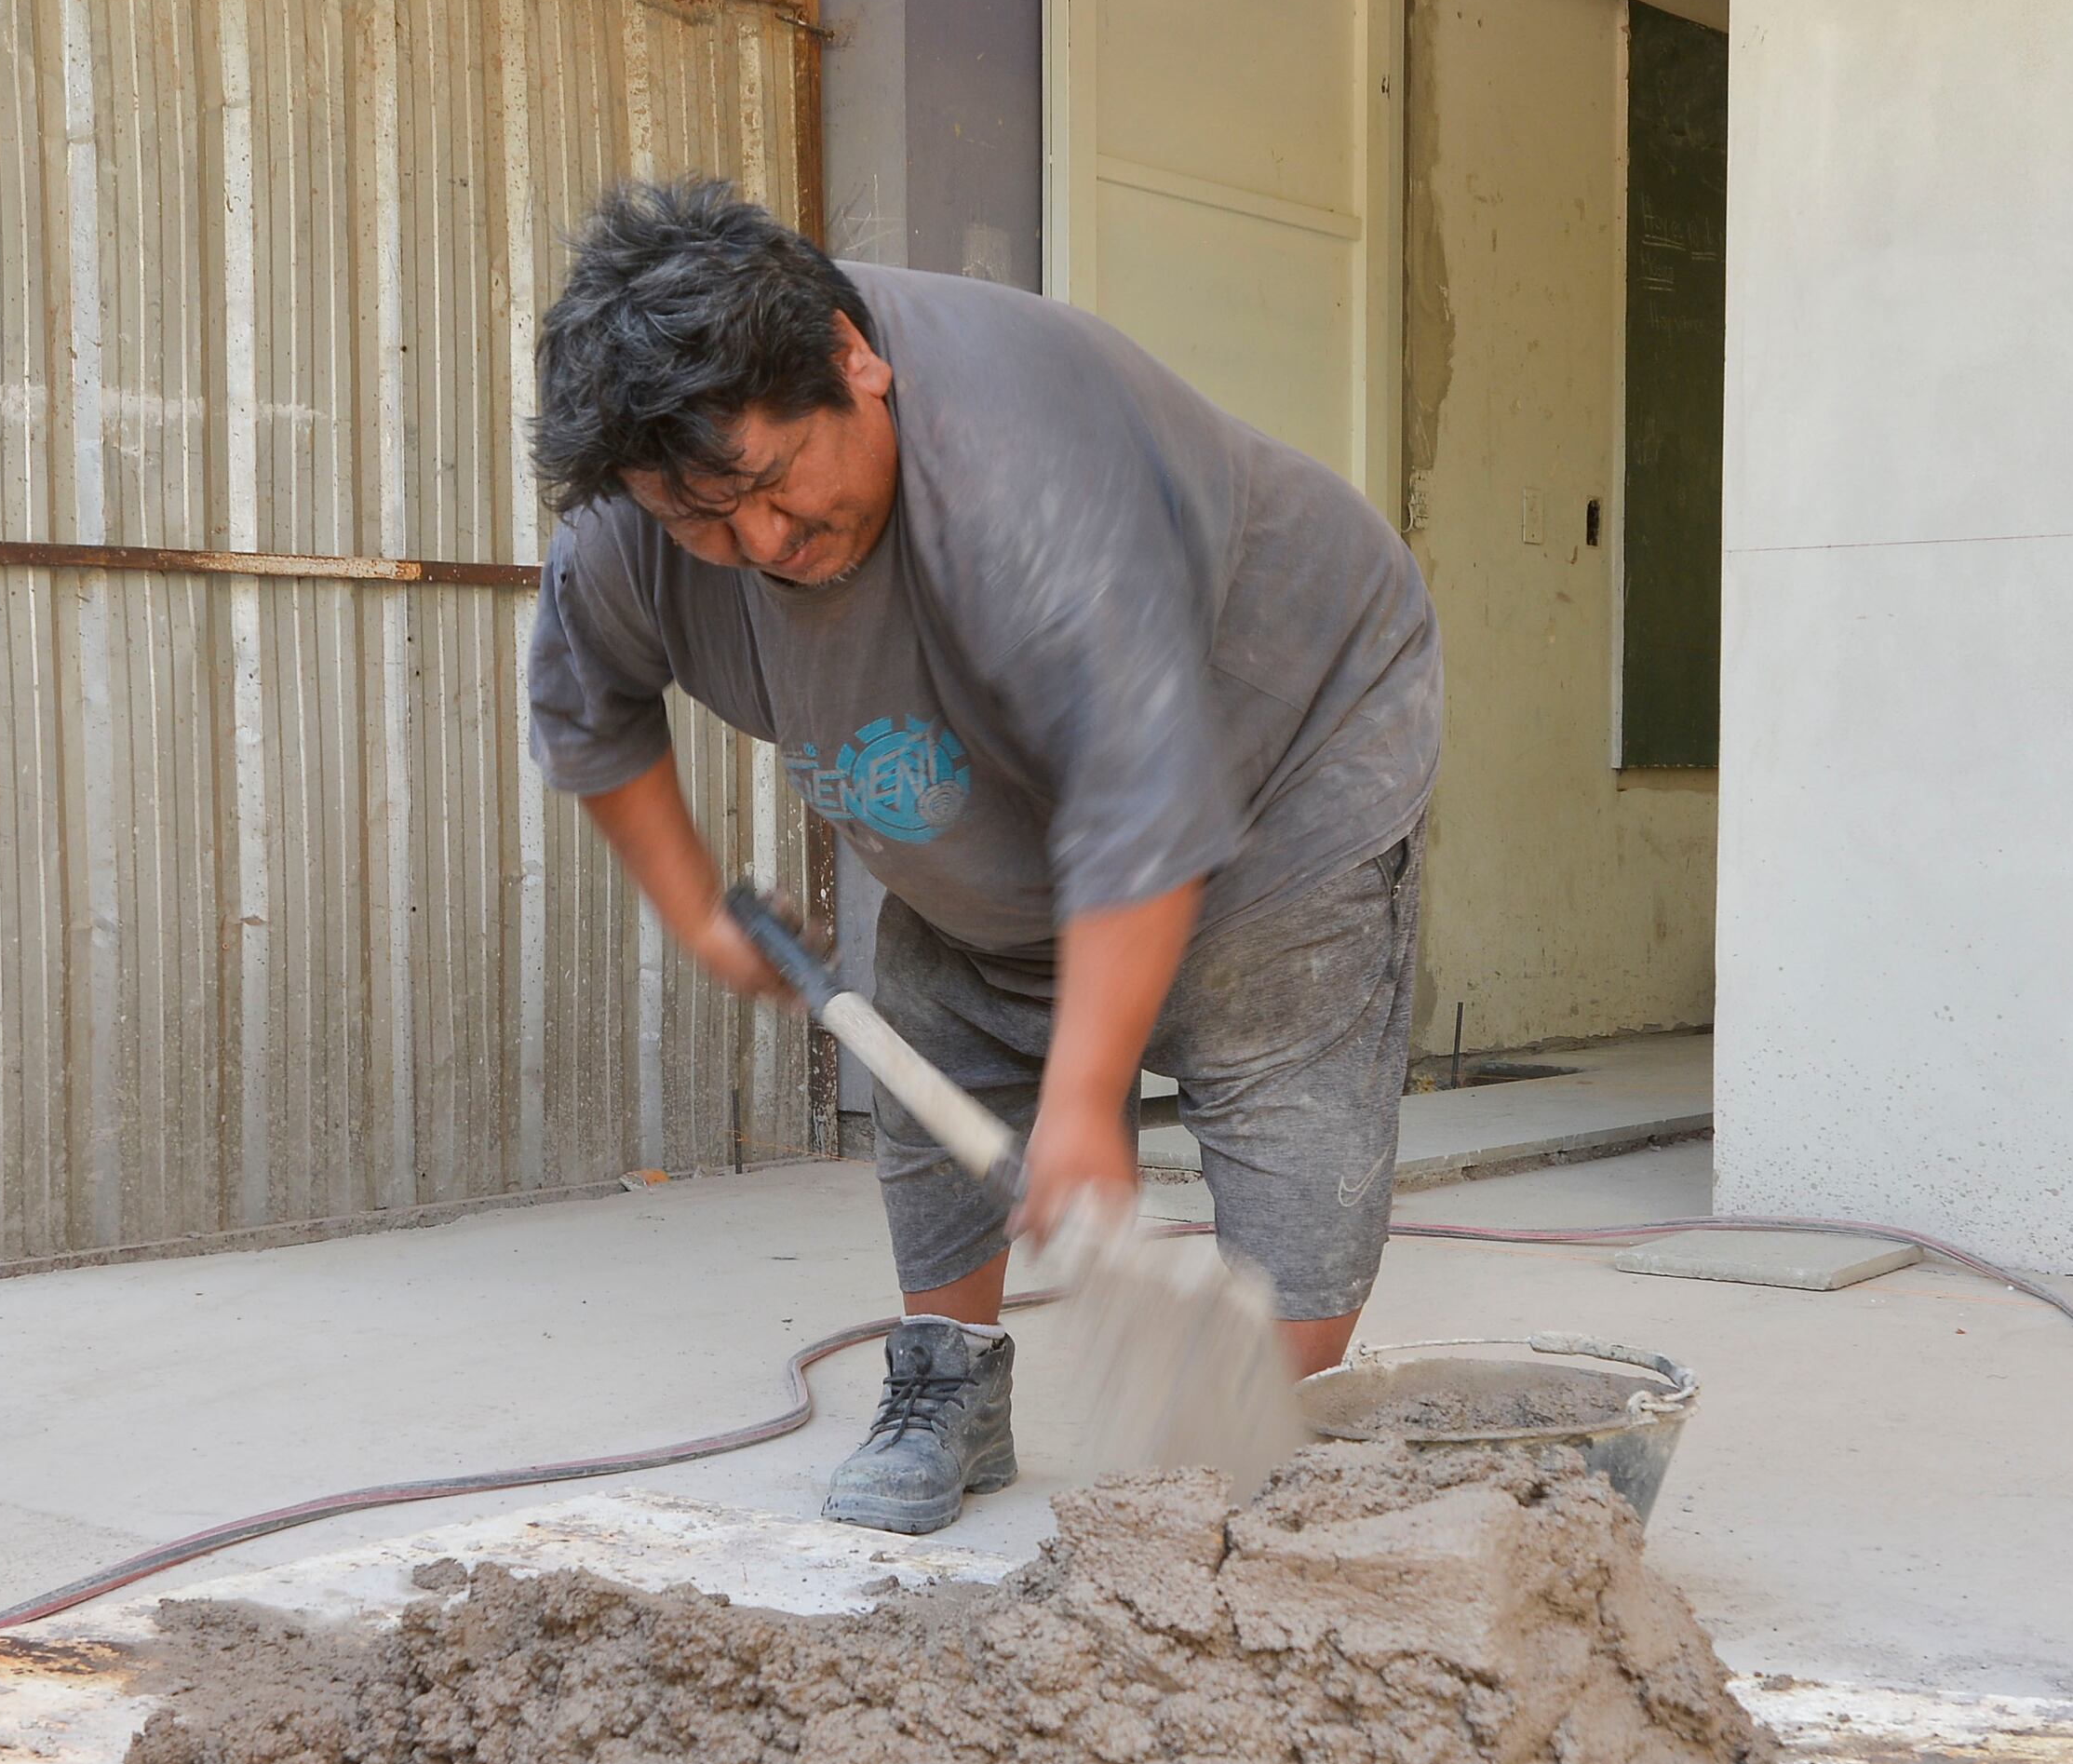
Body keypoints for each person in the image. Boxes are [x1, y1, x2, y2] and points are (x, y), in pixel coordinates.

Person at [522, 177, 1442, 1532]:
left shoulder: (1022, 465)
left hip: (1281, 741)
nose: (760, 548)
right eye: (705, 524)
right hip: (986, 788)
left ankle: (1265, 1446)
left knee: (1270, 1036)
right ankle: (948, 1380)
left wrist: (1081, 1104)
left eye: (778, 487)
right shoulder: (645, 517)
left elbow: (1137, 793)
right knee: (950, 1005)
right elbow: (586, 706)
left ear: (856, 361)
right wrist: (700, 909)